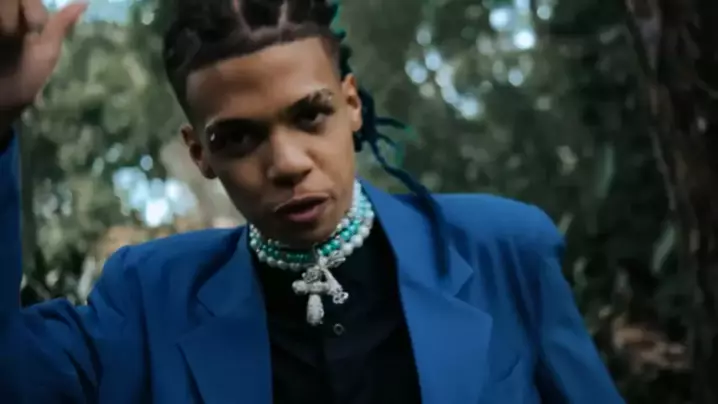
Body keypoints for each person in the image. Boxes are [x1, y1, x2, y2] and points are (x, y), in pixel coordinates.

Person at [0, 0, 625, 403]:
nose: (287, 163)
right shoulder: (148, 298)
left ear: (350, 104)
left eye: (309, 115)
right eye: (238, 138)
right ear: (200, 153)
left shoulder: (500, 249)